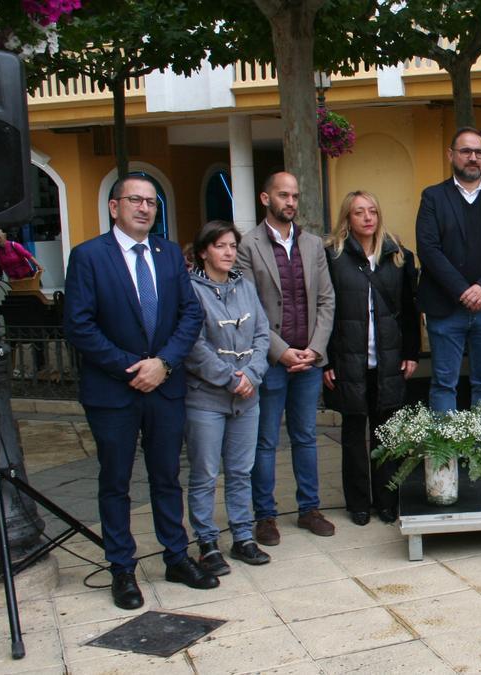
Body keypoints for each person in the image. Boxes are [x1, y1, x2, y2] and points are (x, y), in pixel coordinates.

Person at [63, 176, 217, 609]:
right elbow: (79, 325)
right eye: (135, 200)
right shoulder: (89, 257)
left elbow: (190, 315)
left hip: (164, 387)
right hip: (114, 390)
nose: (144, 208)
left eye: (151, 202)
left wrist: (163, 364)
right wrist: (131, 367)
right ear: (114, 207)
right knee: (115, 481)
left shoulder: (169, 255)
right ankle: (122, 569)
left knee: (167, 477)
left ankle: (175, 557)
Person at [237, 171, 337, 544]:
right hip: (270, 361)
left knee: (306, 436)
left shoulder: (313, 245)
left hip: (309, 360)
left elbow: (327, 299)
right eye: (283, 195)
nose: (290, 202)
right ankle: (265, 515)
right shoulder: (248, 246)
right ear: (266, 199)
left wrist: (315, 349)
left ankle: (309, 508)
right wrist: (281, 352)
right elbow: (250, 306)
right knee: (265, 441)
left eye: (295, 195)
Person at [415, 127, 481, 470]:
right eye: (465, 151)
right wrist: (463, 289)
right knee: (444, 382)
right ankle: (445, 455)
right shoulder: (433, 197)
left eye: (478, 151)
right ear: (451, 156)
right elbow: (428, 249)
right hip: (447, 307)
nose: (472, 157)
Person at [323, 191, 420, 525]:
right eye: (359, 212)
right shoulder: (332, 256)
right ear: (347, 218)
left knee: (387, 433)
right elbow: (326, 312)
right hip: (348, 358)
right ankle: (358, 503)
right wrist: (327, 360)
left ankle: (387, 500)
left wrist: (411, 352)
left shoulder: (397, 256)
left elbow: (409, 309)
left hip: (389, 357)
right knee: (352, 433)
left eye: (373, 211)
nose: (367, 217)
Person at [184, 220, 273, 575]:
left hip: (247, 397)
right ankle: (207, 542)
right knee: (205, 473)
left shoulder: (246, 287)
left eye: (232, 246)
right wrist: (227, 378)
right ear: (204, 251)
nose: (228, 252)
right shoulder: (190, 290)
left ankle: (242, 536)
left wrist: (251, 375)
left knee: (240, 471)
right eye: (220, 246)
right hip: (206, 397)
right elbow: (193, 344)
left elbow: (263, 335)